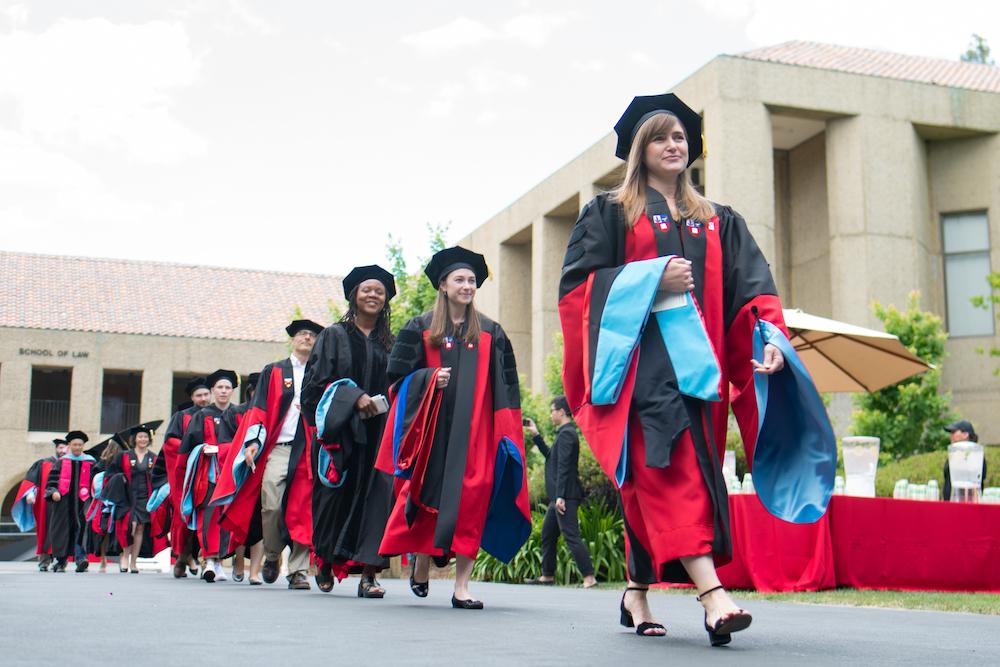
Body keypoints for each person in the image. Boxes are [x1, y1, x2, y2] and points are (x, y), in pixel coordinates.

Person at [558, 93, 833, 645]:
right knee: (667, 467)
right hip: (640, 373)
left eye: (680, 135)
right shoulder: (612, 212)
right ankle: (714, 597)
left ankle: (636, 592)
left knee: (662, 481)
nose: (673, 143)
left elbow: (752, 293)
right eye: (660, 136)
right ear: (640, 149)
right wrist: (650, 280)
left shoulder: (719, 221)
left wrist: (769, 340)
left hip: (702, 375)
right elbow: (576, 291)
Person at [375, 246, 531, 609]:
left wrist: (505, 435)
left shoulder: (492, 333)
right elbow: (396, 378)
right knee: (424, 495)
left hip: (476, 433)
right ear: (443, 285)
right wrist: (428, 379)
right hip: (430, 433)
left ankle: (462, 586)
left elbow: (508, 390)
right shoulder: (419, 327)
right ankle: (422, 562)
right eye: (459, 279)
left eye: (472, 280)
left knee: (473, 499)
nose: (467, 286)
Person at [301, 265, 397, 596]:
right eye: (367, 289)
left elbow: (400, 386)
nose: (373, 295)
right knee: (332, 498)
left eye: (379, 291)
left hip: (380, 433)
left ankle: (370, 574)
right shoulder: (333, 336)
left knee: (378, 498)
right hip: (340, 433)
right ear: (354, 294)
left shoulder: (392, 343)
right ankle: (325, 559)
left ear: (385, 300)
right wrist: (354, 398)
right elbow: (316, 384)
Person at [211, 323, 321, 591]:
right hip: (280, 447)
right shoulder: (274, 371)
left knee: (303, 509)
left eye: (312, 335)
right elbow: (259, 410)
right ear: (292, 340)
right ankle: (272, 555)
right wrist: (252, 443)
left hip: (308, 448)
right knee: (272, 505)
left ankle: (298, 570)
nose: (307, 337)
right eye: (302, 334)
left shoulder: (322, 372)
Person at [523, 395, 596, 589]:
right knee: (548, 533)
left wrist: (560, 496)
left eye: (552, 410)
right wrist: (536, 435)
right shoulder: (564, 433)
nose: (550, 414)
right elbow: (551, 457)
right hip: (559, 497)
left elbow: (564, 467)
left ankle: (589, 577)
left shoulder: (567, 434)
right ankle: (547, 575)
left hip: (565, 496)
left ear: (561, 412)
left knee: (571, 534)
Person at [180, 369, 240, 582]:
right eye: (219, 387)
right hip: (208, 474)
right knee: (209, 516)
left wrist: (223, 450)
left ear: (232, 390)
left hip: (232, 474)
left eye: (227, 387)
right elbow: (188, 447)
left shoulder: (239, 413)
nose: (223, 391)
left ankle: (220, 561)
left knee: (226, 516)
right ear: (213, 390)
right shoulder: (202, 415)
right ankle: (210, 560)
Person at [155, 377, 212, 578]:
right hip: (186, 474)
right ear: (192, 397)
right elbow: (170, 442)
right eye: (199, 395)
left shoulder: (216, 414)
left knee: (209, 516)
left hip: (210, 470)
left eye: (206, 394)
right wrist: (194, 451)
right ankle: (181, 557)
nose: (203, 398)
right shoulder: (182, 416)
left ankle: (205, 559)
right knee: (185, 516)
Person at [11, 438, 67, 571]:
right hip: (45, 505)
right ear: (56, 449)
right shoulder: (43, 463)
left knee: (63, 532)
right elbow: (32, 480)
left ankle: (61, 562)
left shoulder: (71, 463)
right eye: (60, 448)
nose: (62, 451)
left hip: (64, 504)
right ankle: (44, 561)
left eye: (65, 448)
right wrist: (31, 493)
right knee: (45, 531)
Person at [228, 372, 263, 584]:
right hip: (240, 472)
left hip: (262, 471)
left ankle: (255, 571)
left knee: (261, 520)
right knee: (241, 518)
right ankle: (239, 560)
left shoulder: (273, 413)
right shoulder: (236, 413)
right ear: (250, 391)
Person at [44, 431, 96, 573]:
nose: (77, 447)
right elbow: (51, 481)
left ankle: (81, 559)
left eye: (80, 445)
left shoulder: (90, 461)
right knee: (62, 530)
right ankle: (61, 561)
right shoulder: (61, 462)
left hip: (83, 502)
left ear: (83, 445)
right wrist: (53, 491)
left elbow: (96, 481)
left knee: (82, 529)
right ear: (69, 445)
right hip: (63, 503)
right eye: (74, 445)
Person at [942, 420, 987, 501]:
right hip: (949, 504)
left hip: (967, 506)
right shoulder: (954, 453)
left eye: (953, 432)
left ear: (965, 434)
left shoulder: (976, 455)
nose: (950, 436)